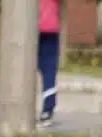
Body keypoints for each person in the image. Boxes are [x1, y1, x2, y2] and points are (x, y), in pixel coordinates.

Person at [38, 0, 61, 128]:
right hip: (50, 28)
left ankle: (47, 108)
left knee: (45, 69)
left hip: (33, 29)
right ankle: (48, 109)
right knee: (49, 71)